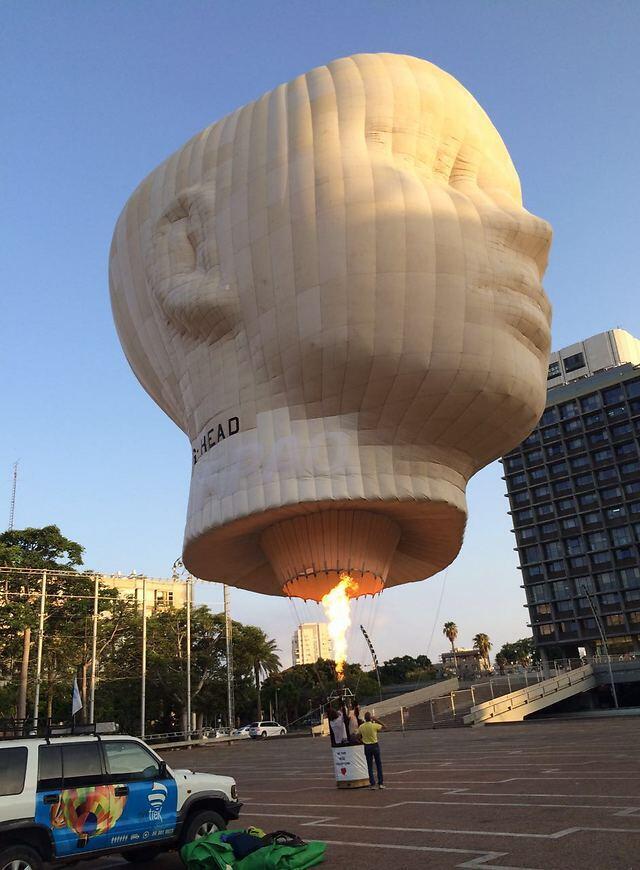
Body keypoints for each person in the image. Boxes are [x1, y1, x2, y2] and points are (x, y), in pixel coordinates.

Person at [357, 711, 385, 789]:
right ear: (370, 718)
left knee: (369, 766)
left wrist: (362, 741)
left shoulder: (361, 726)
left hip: (367, 746)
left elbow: (357, 736)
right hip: (375, 745)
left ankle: (372, 783)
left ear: (365, 719)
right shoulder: (374, 725)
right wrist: (376, 720)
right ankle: (380, 783)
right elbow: (385, 726)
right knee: (378, 765)